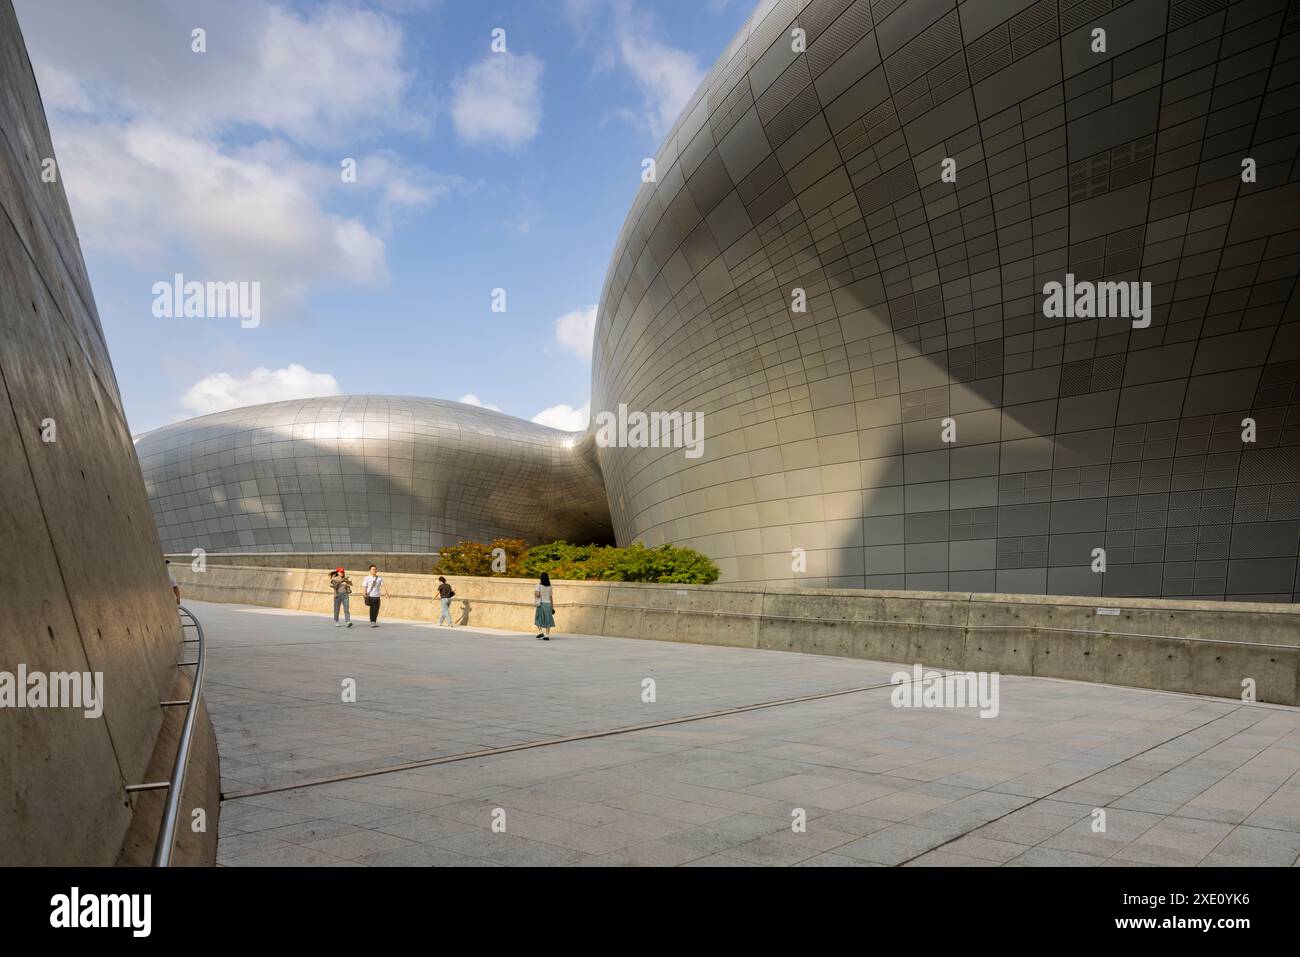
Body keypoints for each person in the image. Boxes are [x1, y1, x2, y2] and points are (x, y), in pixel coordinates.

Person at [534, 572, 555, 640]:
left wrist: (535, 593)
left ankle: (541, 632)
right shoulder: (550, 586)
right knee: (547, 620)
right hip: (548, 605)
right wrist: (552, 607)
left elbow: (537, 595)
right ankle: (547, 635)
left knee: (538, 618)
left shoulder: (538, 585)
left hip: (541, 604)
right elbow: (551, 597)